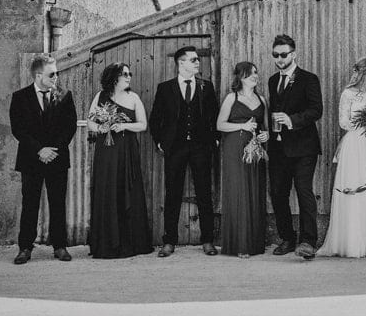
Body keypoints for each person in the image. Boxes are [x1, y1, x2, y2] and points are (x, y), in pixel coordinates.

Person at [317, 58, 366, 257]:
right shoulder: (348, 94)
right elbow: (343, 121)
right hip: (355, 145)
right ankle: (353, 242)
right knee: (356, 187)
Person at [149, 46, 219, 257]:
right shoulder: (165, 88)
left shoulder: (206, 86)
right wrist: (160, 141)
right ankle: (169, 241)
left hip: (201, 147)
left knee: (204, 193)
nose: (198, 63)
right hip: (175, 147)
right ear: (181, 63)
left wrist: (214, 139)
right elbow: (155, 119)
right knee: (173, 193)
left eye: (198, 59)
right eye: (193, 60)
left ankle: (208, 240)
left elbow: (214, 116)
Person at [8, 55, 77, 265]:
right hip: (31, 159)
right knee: (30, 204)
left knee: (58, 204)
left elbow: (69, 126)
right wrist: (40, 150)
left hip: (56, 157)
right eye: (52, 74)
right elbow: (18, 129)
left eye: (56, 73)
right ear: (38, 75)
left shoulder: (65, 95)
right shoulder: (20, 97)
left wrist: (53, 150)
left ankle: (60, 246)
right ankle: (25, 248)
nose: (56, 77)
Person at [87, 63, 153, 258]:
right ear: (114, 77)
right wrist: (101, 128)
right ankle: (106, 243)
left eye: (129, 73)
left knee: (127, 190)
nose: (129, 77)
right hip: (106, 152)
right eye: (125, 74)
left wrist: (123, 127)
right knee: (107, 190)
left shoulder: (133, 98)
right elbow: (90, 121)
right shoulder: (100, 96)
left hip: (126, 151)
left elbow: (142, 125)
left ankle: (130, 243)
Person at [267, 34, 323, 260]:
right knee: (278, 194)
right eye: (275, 55)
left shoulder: (308, 79)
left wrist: (292, 120)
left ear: (294, 54)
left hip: (304, 148)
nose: (279, 59)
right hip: (278, 148)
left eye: (283, 55)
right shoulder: (272, 81)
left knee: (303, 190)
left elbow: (316, 110)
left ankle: (308, 241)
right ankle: (287, 238)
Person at [216, 62, 270, 258]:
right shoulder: (232, 98)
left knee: (254, 190)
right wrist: (242, 127)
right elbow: (220, 125)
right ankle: (239, 245)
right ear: (240, 77)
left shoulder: (262, 99)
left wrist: (266, 136)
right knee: (238, 191)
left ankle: (254, 244)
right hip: (235, 148)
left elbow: (265, 126)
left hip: (255, 150)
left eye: (256, 73)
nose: (255, 76)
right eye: (250, 74)